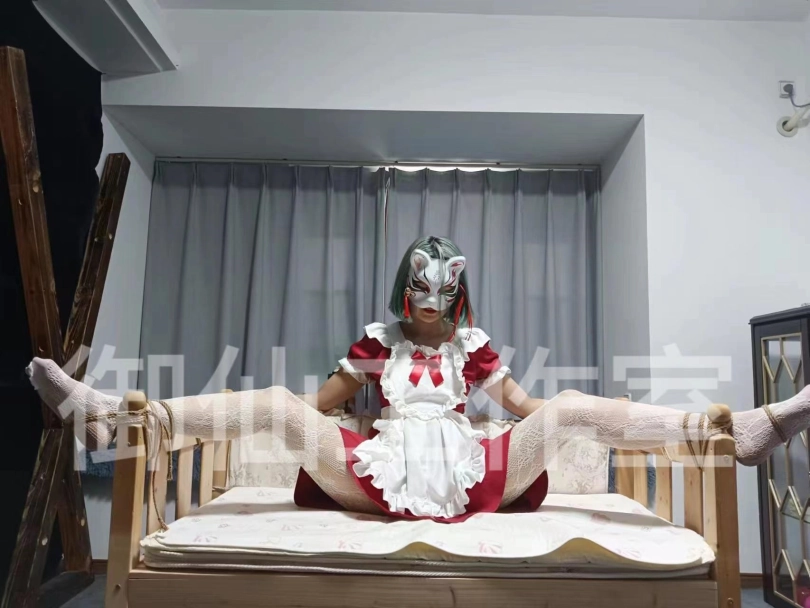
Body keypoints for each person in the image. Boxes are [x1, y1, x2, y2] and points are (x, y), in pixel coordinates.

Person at [27, 236, 810, 522]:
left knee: (571, 405)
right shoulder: (377, 346)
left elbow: (525, 405)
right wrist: (281, 412)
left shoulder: (473, 348)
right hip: (374, 475)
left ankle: (735, 431)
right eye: (420, 292)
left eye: (444, 293)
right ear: (404, 291)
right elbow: (314, 407)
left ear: (459, 295)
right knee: (270, 402)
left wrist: (581, 418)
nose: (431, 306)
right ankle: (111, 418)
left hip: (474, 475)